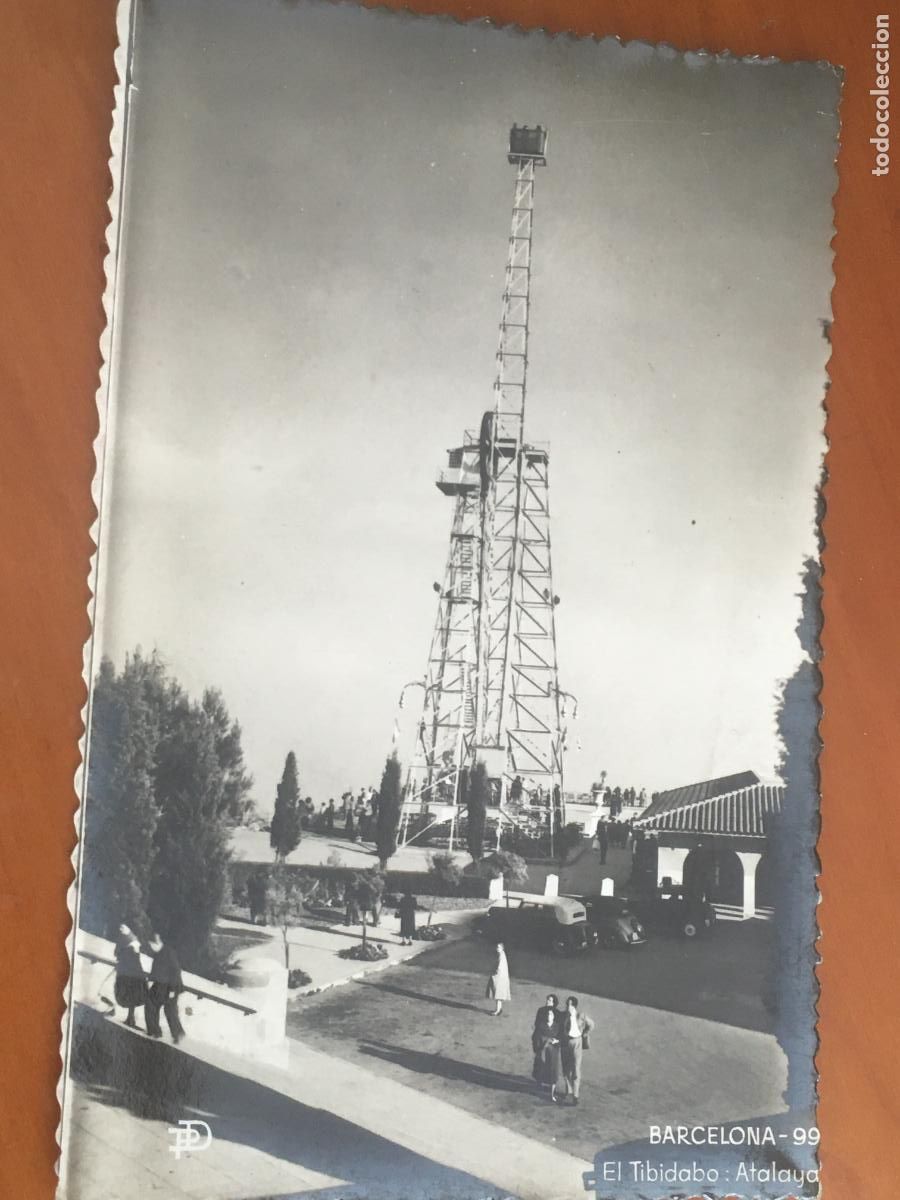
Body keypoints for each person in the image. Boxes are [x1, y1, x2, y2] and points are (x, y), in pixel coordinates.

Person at [145, 933, 185, 1044]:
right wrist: (151, 980)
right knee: (150, 1004)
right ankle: (154, 1030)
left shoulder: (168, 952)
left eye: (152, 945)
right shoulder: (159, 952)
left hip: (171, 986)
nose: (151, 948)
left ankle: (177, 1033)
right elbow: (158, 970)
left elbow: (176, 971)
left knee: (170, 1011)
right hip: (160, 985)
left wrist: (172, 990)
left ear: (158, 943)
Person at [560, 995, 595, 1106]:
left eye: (570, 1004)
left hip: (577, 1042)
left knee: (576, 1068)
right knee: (565, 1069)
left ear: (574, 1006)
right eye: (567, 1004)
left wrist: (585, 1033)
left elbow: (592, 1025)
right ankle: (568, 1091)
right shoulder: (564, 1016)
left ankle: (575, 1095)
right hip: (565, 1043)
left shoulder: (581, 1016)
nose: (568, 1006)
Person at [531, 993, 565, 1102]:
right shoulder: (541, 1011)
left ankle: (550, 1092)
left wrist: (557, 1040)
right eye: (547, 1000)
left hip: (553, 1048)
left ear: (554, 1003)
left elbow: (560, 1032)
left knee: (552, 1069)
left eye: (550, 1000)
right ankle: (538, 1086)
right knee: (540, 1066)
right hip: (541, 1043)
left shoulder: (558, 1015)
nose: (547, 1002)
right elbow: (537, 1027)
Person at [114, 924, 147, 1029]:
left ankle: (131, 1018)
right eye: (120, 927)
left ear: (129, 928)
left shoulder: (133, 941)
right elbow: (117, 953)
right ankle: (130, 1018)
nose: (121, 929)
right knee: (128, 994)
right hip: (127, 972)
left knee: (131, 994)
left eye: (123, 927)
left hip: (131, 973)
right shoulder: (123, 939)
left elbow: (134, 957)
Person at [486, 941, 511, 1016]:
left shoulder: (501, 956)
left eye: (499, 947)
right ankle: (498, 1009)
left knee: (498, 994)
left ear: (502, 948)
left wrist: (494, 973)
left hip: (500, 977)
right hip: (501, 977)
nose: (497, 948)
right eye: (497, 947)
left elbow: (499, 968)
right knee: (498, 994)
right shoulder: (501, 954)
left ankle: (498, 1010)